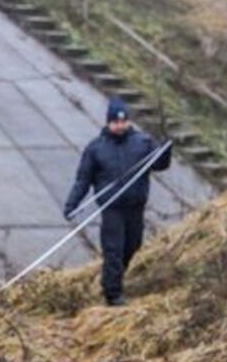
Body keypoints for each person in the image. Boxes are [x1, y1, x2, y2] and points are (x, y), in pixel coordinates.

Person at [64, 97, 172, 306]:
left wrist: (166, 151)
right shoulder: (96, 148)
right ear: (108, 122)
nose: (120, 126)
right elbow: (83, 180)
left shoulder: (143, 142)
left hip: (135, 206)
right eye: (116, 122)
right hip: (112, 208)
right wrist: (72, 204)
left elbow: (159, 164)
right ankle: (113, 294)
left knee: (132, 246)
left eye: (124, 121)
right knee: (113, 249)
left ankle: (112, 279)